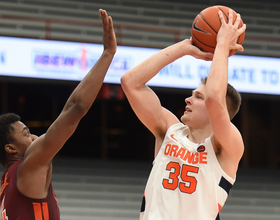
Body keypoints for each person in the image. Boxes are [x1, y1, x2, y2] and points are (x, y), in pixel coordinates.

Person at [121, 10, 246, 220]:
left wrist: (222, 47)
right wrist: (185, 47)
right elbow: (130, 82)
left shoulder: (226, 146)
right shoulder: (170, 129)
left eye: (198, 97)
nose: (188, 100)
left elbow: (215, 99)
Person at [0, 9, 116, 220]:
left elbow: (69, 108)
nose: (35, 137)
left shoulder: (5, 185)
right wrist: (108, 54)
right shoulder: (29, 166)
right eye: (26, 134)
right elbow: (77, 108)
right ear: (10, 148)